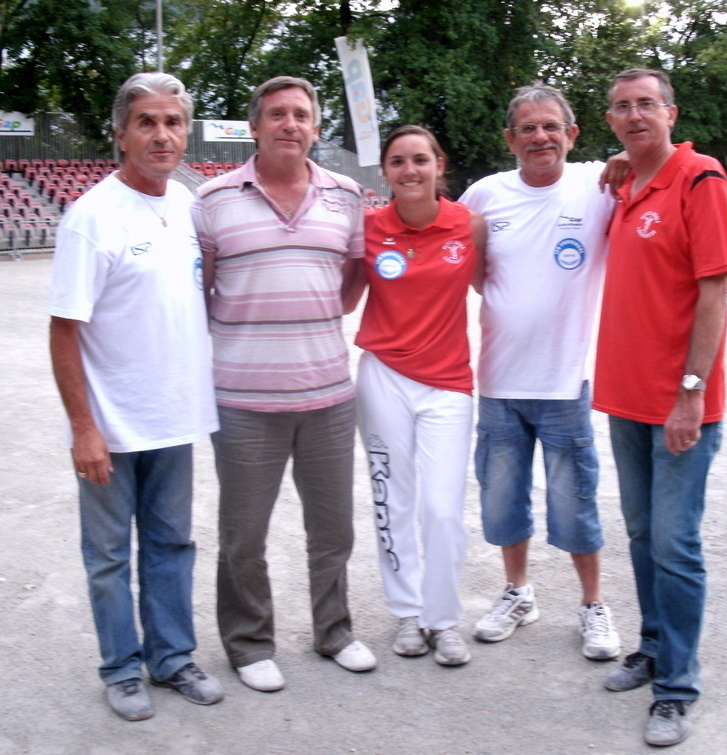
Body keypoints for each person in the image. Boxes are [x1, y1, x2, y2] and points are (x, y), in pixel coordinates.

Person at [48, 72, 223, 721]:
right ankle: (122, 665)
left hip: (174, 419)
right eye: (147, 121)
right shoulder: (92, 217)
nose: (162, 134)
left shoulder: (187, 203)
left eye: (173, 122)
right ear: (120, 132)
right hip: (112, 427)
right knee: (108, 555)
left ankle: (172, 656)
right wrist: (82, 427)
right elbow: (65, 329)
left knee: (172, 543)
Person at [192, 76, 375, 693]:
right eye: (277, 114)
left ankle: (335, 631)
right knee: (244, 534)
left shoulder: (346, 197)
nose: (289, 124)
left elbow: (352, 283)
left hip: (327, 393)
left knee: (334, 530)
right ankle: (249, 644)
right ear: (255, 126)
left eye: (301, 115)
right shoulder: (214, 201)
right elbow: (204, 290)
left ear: (317, 127)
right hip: (243, 401)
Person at [595, 68, 727, 747]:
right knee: (642, 534)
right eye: (622, 108)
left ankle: (677, 688)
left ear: (671, 112)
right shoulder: (626, 184)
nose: (634, 115)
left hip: (681, 403)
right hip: (626, 398)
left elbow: (714, 294)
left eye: (646, 105)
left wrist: (690, 392)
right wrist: (620, 167)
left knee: (676, 544)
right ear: (611, 122)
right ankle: (653, 648)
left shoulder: (700, 179)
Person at [459, 82, 623, 659]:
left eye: (550, 126)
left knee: (575, 499)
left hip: (563, 383)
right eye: (527, 128)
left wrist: (629, 154)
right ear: (510, 139)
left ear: (572, 134)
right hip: (500, 382)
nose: (540, 137)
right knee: (503, 501)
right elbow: (472, 269)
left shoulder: (599, 185)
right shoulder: (482, 196)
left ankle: (593, 605)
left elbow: (650, 162)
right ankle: (518, 592)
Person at [345, 125, 486, 666]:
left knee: (443, 509)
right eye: (399, 161)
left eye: (420, 160)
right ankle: (407, 613)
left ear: (439, 165)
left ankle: (443, 619)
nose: (410, 171)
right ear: (385, 170)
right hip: (383, 376)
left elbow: (498, 288)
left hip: (449, 384)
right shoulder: (368, 229)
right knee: (392, 497)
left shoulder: (469, 227)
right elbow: (342, 297)